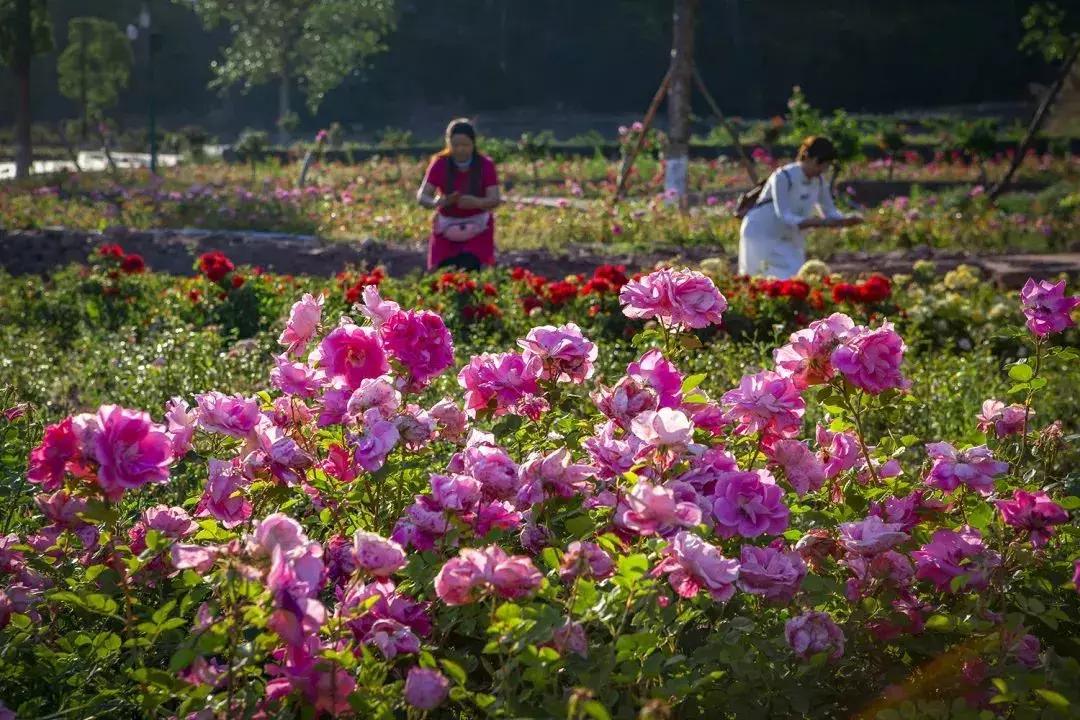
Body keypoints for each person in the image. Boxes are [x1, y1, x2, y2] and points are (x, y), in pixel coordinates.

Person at [738, 136, 863, 279]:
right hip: (761, 234)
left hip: (788, 238)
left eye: (826, 166)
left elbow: (829, 211)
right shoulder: (783, 176)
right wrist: (819, 222)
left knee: (794, 277)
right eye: (820, 164)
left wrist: (845, 220)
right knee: (758, 278)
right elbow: (785, 216)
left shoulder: (819, 181)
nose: (822, 170)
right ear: (808, 158)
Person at [417, 118, 501, 270]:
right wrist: (438, 202)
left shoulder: (485, 165)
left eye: (465, 145)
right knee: (441, 272)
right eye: (456, 145)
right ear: (448, 143)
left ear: (473, 143)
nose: (461, 149)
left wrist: (476, 202)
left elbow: (495, 198)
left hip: (478, 226)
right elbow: (423, 196)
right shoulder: (439, 164)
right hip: (446, 225)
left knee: (477, 268)